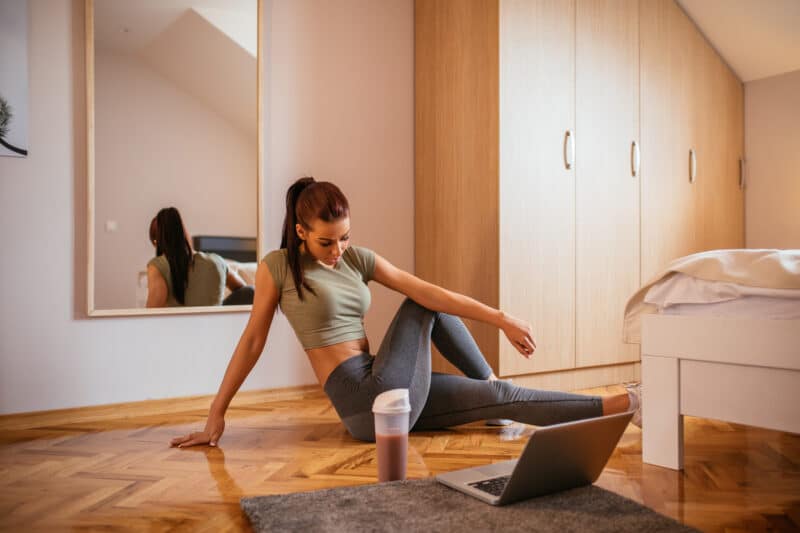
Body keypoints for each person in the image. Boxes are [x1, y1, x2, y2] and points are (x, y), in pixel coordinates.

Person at [170, 178, 639, 447]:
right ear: (300, 232)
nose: (338, 250)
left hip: (391, 394)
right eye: (326, 241)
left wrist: (501, 317)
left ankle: (628, 405)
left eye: (345, 237)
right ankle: (488, 380)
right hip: (360, 398)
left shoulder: (358, 258)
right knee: (422, 302)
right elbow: (253, 339)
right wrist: (217, 414)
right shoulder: (277, 266)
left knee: (504, 398)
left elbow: (432, 290)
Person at [147, 207, 251, 307]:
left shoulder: (157, 266)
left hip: (178, 325)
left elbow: (151, 314)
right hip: (216, 323)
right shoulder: (217, 261)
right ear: (184, 234)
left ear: (157, 243)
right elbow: (245, 291)